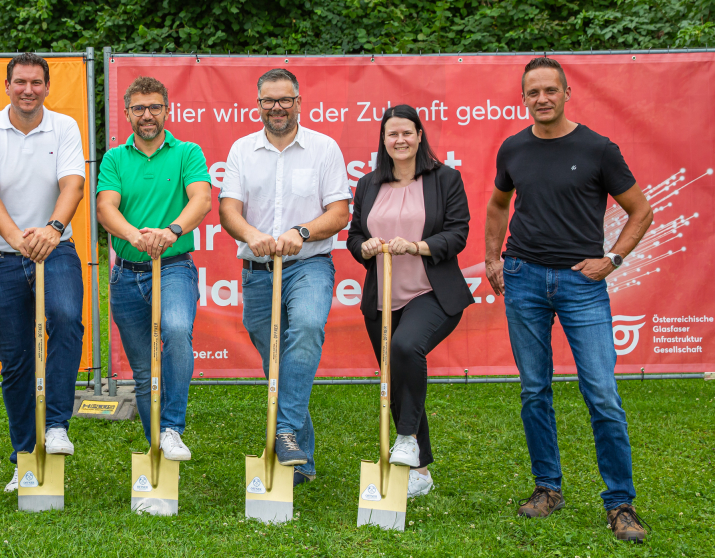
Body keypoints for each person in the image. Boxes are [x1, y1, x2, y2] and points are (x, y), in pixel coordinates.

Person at [485, 57, 653, 542]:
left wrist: (613, 259)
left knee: (601, 392)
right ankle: (547, 488)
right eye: (532, 92)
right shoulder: (513, 148)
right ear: (524, 97)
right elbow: (498, 204)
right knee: (534, 389)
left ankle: (620, 503)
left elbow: (641, 210)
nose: (541, 99)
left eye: (549, 90)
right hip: (522, 279)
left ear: (566, 93)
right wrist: (493, 258)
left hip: (582, 285)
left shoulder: (599, 148)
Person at [218, 68, 351, 487]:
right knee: (278, 362)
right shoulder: (242, 150)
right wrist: (252, 235)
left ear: (299, 101)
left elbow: (339, 212)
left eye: (285, 100)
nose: (277, 107)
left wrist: (302, 232)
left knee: (308, 327)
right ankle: (301, 457)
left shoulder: (324, 148)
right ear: (258, 104)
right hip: (258, 272)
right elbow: (228, 210)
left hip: (309, 264)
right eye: (268, 101)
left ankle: (284, 431)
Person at [0, 52, 87, 492]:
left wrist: (53, 230)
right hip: (1, 256)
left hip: (56, 249)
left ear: (47, 87)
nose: (28, 90)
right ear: (7, 86)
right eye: (20, 82)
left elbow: (72, 184)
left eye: (37, 82)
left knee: (67, 320)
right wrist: (19, 239)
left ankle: (56, 424)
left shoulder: (65, 127)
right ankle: (24, 457)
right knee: (15, 362)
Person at [346, 104, 473, 499]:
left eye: (407, 132)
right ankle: (418, 468)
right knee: (397, 375)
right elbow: (353, 236)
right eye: (391, 134)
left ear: (420, 136)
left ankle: (405, 438)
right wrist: (364, 247)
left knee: (405, 347)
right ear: (383, 141)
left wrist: (418, 246)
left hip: (431, 292)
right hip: (382, 298)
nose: (399, 140)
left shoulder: (445, 179)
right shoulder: (368, 184)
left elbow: (458, 233)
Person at [97, 76, 212, 459]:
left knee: (177, 332)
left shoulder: (187, 152)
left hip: (173, 267)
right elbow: (106, 208)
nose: (147, 115)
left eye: (155, 107)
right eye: (139, 108)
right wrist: (134, 236)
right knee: (145, 371)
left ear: (167, 110)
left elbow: (201, 199)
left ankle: (172, 429)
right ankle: (157, 447)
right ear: (127, 113)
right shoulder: (115, 157)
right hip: (126, 275)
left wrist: (171, 230)